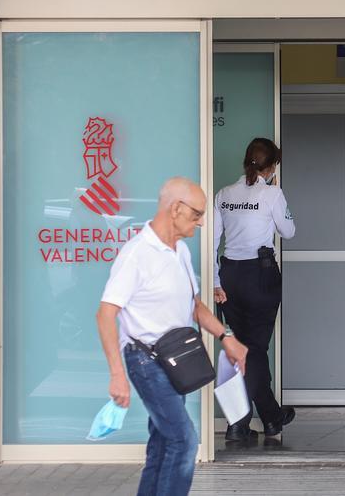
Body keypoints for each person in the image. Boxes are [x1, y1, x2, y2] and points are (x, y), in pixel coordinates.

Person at [97, 177, 248, 496]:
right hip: (145, 359)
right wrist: (117, 375)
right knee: (184, 440)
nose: (202, 221)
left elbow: (194, 306)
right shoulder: (137, 253)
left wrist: (227, 337)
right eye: (197, 214)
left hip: (174, 359)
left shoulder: (179, 251)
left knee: (164, 442)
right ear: (175, 208)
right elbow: (106, 313)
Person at [212, 138, 297, 442]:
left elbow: (212, 241)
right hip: (260, 276)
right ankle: (267, 417)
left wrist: (215, 281)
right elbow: (288, 231)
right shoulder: (271, 193)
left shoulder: (224, 194)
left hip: (230, 276)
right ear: (272, 167)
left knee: (242, 349)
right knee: (256, 349)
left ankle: (246, 420)